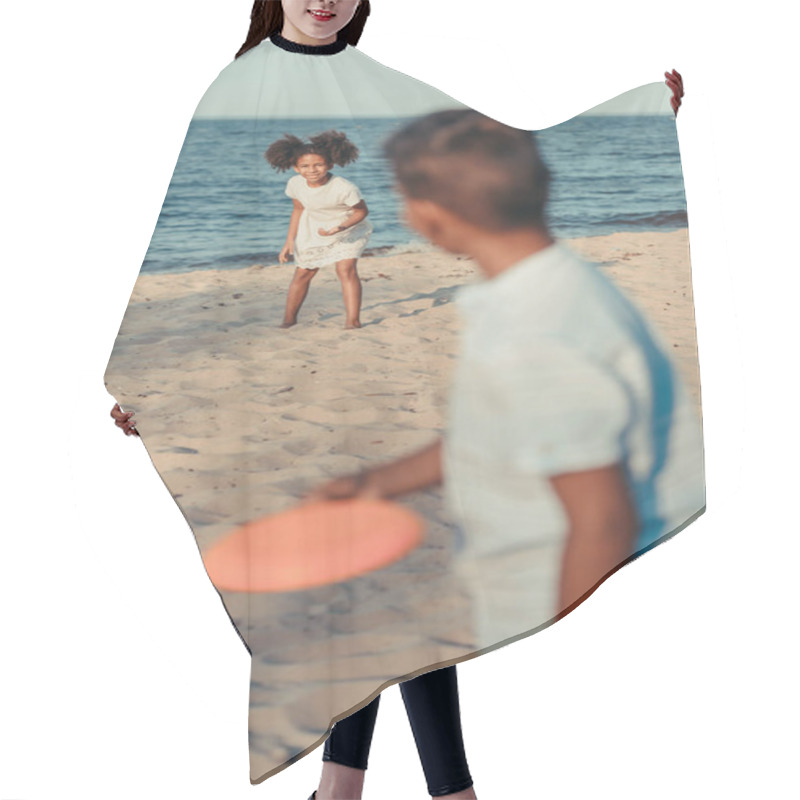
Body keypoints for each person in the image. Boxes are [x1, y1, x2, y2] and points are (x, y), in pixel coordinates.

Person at [110, 3, 690, 798]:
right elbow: (199, 243)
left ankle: (350, 789)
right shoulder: (235, 86)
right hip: (296, 383)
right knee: (382, 576)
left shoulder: (378, 85)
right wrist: (154, 376)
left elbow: (501, 152)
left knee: (400, 571)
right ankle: (422, 790)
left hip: (375, 378)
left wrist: (641, 116)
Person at [265, 129, 373, 329]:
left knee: (345, 269)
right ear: (295, 168)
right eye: (304, 166)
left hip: (348, 229)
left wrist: (340, 227)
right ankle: (289, 321)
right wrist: (289, 241)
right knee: (303, 273)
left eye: (318, 164)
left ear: (329, 165)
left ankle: (353, 321)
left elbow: (361, 212)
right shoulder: (295, 184)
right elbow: (298, 209)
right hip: (314, 229)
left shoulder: (344, 187)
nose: (312, 170)